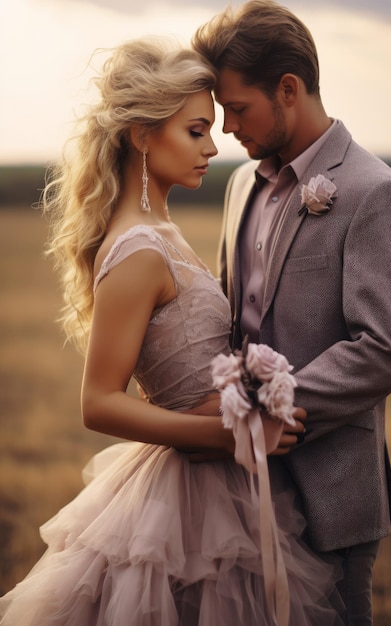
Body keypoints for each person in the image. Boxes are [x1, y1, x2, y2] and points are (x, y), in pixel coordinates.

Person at [0, 37, 344, 626]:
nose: (213, 146)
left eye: (212, 128)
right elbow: (98, 403)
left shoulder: (165, 229)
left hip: (225, 484)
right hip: (183, 497)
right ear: (142, 135)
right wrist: (223, 434)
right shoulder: (137, 248)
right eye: (195, 130)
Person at [192, 1, 391, 624]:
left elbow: (385, 347)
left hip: (331, 491)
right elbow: (231, 312)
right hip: (234, 487)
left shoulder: (379, 194)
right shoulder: (240, 184)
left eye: (238, 108)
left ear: (288, 89)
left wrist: (270, 407)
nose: (227, 126)